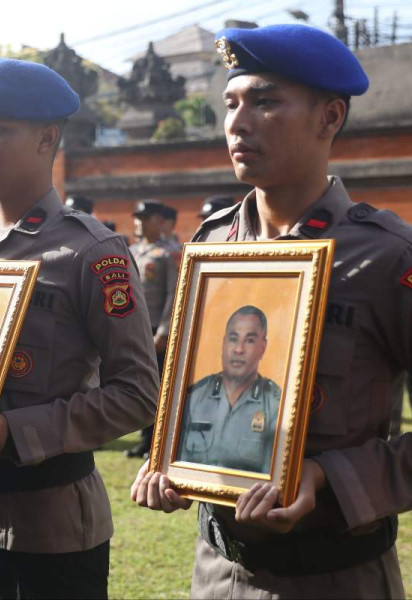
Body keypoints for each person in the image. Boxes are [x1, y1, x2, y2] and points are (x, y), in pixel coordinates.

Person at [131, 24, 412, 599]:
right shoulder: (211, 248)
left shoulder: (386, 256)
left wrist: (330, 476)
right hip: (217, 573)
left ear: (329, 117)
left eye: (265, 101)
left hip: (336, 576)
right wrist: (170, 459)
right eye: (231, 103)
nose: (238, 122)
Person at [0, 58, 159, 599]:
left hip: (49, 530)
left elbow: (138, 394)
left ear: (47, 139)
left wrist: (20, 430)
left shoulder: (90, 251)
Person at [178, 306, 280, 473]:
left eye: (249, 340)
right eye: (233, 339)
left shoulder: (276, 406)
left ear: (263, 347)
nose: (239, 349)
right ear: (224, 343)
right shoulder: (193, 397)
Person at [125, 200, 178, 459]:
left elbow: (173, 294)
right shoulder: (132, 251)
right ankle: (144, 439)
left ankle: (158, 441)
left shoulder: (169, 253)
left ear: (160, 221)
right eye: (138, 217)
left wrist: (165, 330)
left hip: (156, 328)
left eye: (146, 218)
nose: (140, 222)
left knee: (159, 385)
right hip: (135, 327)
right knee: (138, 384)